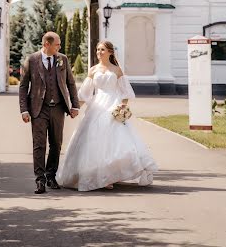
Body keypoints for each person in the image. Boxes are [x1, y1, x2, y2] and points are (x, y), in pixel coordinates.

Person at [57, 40, 158, 191]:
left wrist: (122, 106)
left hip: (113, 105)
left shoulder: (117, 70)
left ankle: (109, 175)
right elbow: (85, 93)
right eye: (97, 50)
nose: (99, 52)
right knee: (93, 139)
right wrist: (75, 109)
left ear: (110, 52)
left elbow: (125, 92)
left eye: (102, 50)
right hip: (97, 105)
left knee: (114, 141)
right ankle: (98, 175)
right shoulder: (93, 70)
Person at [19, 31, 80, 194]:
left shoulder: (62, 59)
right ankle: (40, 180)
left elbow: (71, 83)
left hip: (59, 108)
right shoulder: (31, 60)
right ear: (47, 44)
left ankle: (51, 176)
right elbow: (23, 86)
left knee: (56, 144)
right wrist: (24, 109)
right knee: (39, 145)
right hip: (38, 109)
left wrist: (75, 105)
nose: (59, 47)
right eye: (57, 44)